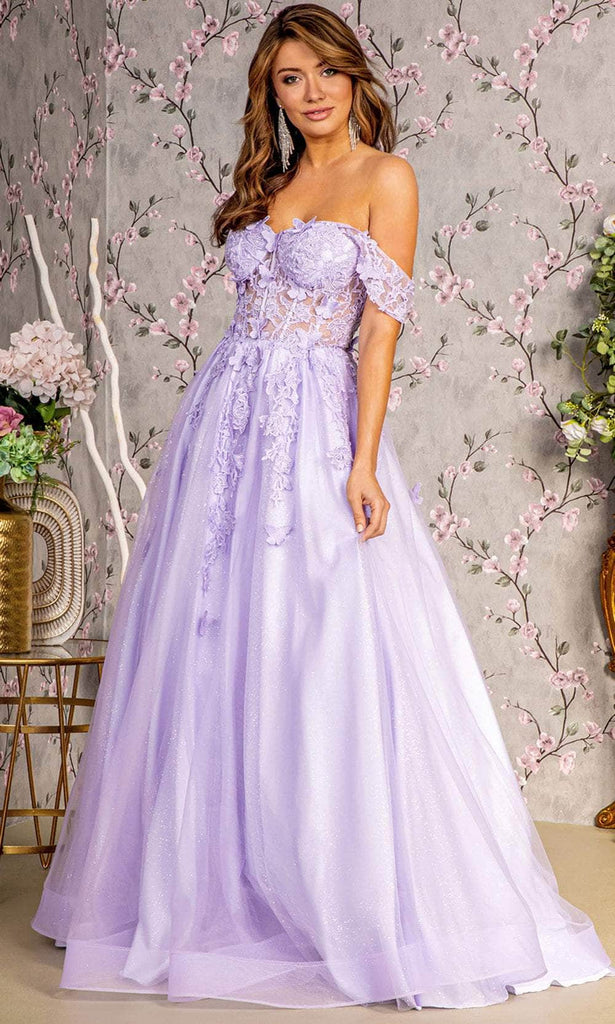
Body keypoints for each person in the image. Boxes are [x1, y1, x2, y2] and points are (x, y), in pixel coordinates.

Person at [31, 3, 614, 1012]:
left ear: (355, 78)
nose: (310, 93)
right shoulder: (267, 184)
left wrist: (364, 461)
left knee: (320, 634)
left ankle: (341, 887)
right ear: (271, 92)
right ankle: (206, 879)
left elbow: (377, 335)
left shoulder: (387, 178)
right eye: (288, 78)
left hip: (315, 425)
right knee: (213, 639)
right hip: (224, 423)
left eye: (325, 73)